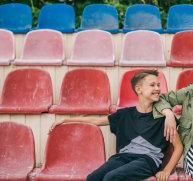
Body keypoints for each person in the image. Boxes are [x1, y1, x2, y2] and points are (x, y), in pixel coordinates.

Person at [50, 69, 183, 181]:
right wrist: (65, 119)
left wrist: (166, 171)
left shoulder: (163, 118)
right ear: (139, 89)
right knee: (92, 178)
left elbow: (178, 147)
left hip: (147, 161)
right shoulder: (124, 114)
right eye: (152, 85)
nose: (158, 89)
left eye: (158, 85)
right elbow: (97, 121)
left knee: (112, 177)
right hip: (122, 158)